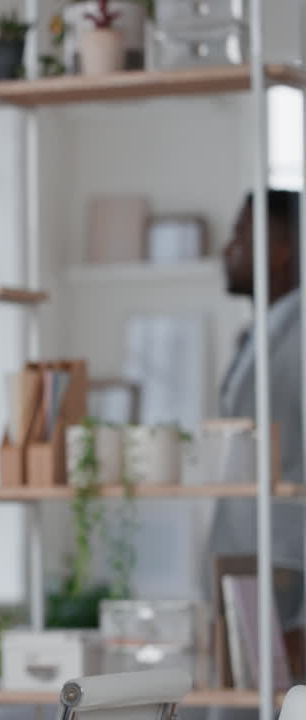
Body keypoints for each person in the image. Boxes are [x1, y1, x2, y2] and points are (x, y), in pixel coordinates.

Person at [206, 189, 305, 674]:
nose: (228, 250)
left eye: (241, 236)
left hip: (288, 573)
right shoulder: (260, 334)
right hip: (245, 562)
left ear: (283, 249)